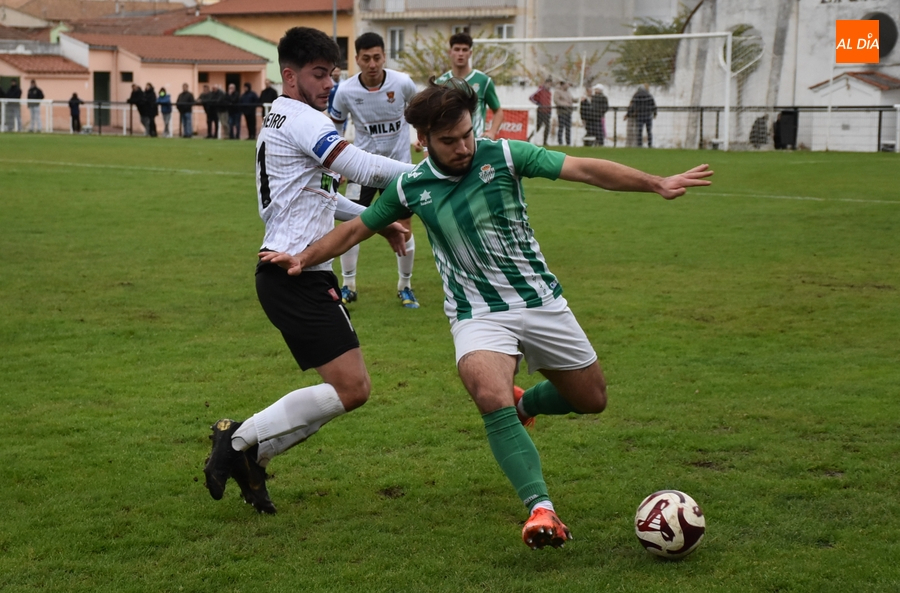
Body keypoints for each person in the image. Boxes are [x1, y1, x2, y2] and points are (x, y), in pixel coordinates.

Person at [258, 79, 713, 548]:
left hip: (540, 300)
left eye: (466, 135)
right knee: (486, 393)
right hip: (477, 313)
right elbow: (355, 229)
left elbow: (585, 170)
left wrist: (655, 182)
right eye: (448, 141)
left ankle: (526, 404)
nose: (462, 148)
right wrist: (302, 258)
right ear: (424, 141)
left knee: (591, 399)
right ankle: (541, 509)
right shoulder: (412, 186)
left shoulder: (507, 156)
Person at [202, 26, 414, 515]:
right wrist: (436, 169)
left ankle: (249, 456)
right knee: (353, 388)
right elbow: (361, 166)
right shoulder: (300, 118)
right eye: (320, 74)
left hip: (299, 270)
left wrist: (376, 225)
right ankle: (236, 444)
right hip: (291, 272)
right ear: (290, 75)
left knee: (350, 389)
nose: (329, 85)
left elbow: (318, 196)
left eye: (333, 75)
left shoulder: (284, 114)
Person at [328, 32, 421, 309]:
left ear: (384, 57)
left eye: (377, 57)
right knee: (352, 225)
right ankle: (349, 285)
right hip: (361, 167)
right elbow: (335, 127)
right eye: (366, 58)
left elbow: (421, 113)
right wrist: (335, 163)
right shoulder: (345, 91)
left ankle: (405, 286)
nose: (372, 63)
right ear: (356, 59)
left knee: (403, 228)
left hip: (398, 169)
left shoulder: (402, 83)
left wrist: (424, 140)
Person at [435, 32, 503, 139]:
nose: (460, 53)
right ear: (450, 52)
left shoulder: (483, 80)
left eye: (464, 50)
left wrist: (492, 132)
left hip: (477, 141)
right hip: (450, 142)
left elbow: (498, 111)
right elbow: (433, 113)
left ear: (470, 53)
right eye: (457, 49)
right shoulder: (440, 82)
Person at [527, 78, 552, 145]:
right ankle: (529, 138)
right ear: (545, 83)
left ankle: (545, 142)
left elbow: (548, 102)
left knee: (547, 126)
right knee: (538, 126)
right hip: (541, 111)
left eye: (550, 84)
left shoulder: (549, 92)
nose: (549, 86)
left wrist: (549, 109)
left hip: (547, 112)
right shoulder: (540, 90)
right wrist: (538, 103)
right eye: (548, 84)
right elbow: (531, 97)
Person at [554, 80, 574, 146]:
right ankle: (560, 142)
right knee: (561, 127)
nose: (568, 85)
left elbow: (572, 100)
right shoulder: (557, 92)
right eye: (567, 84)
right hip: (562, 112)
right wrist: (565, 104)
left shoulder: (568, 92)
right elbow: (556, 101)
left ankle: (568, 143)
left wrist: (580, 99)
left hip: (569, 112)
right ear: (563, 84)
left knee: (568, 128)